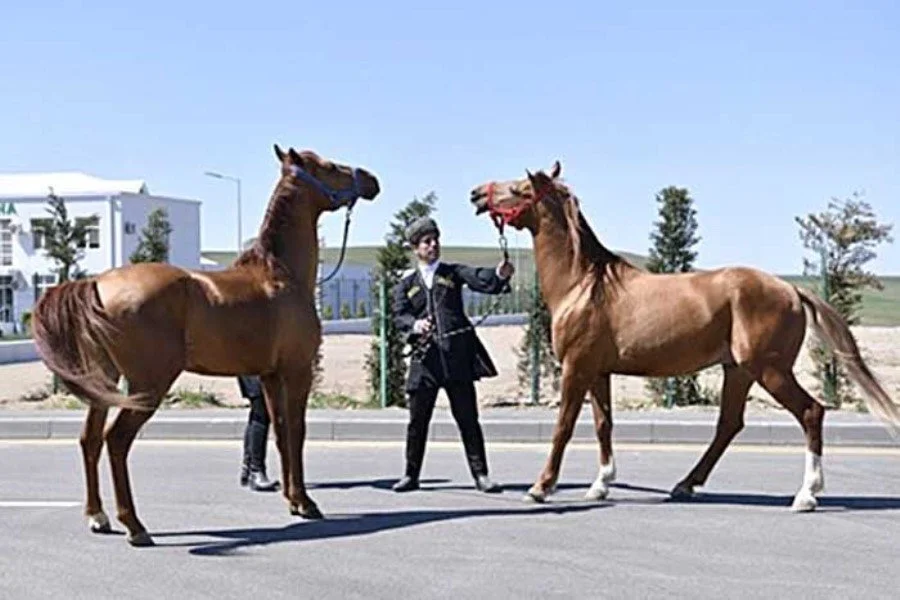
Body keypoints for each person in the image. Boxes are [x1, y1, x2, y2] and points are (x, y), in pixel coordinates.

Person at [391, 216, 514, 493]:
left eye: (435, 239)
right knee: (417, 422)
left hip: (457, 360)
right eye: (426, 241)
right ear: (415, 248)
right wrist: (415, 325)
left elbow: (481, 280)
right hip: (425, 363)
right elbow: (399, 316)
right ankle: (411, 475)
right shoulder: (405, 284)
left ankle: (481, 475)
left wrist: (499, 276)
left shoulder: (452, 273)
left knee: (468, 419)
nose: (433, 245)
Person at [237, 375, 279, 492]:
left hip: (248, 369)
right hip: (255, 371)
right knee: (261, 415)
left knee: (257, 414)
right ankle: (256, 470)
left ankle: (249, 466)